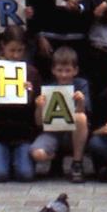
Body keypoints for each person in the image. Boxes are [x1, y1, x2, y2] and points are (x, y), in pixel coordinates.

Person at [0, 25, 42, 183]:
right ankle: (3, 158)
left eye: (20, 51)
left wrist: (31, 96)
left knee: (25, 175)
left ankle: (17, 159)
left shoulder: (31, 72)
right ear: (3, 47)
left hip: (23, 134)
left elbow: (37, 115)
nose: (15, 55)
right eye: (12, 50)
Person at [31, 46, 91, 183]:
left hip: (73, 135)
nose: (64, 75)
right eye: (60, 70)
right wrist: (39, 107)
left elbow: (84, 113)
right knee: (37, 154)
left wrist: (80, 102)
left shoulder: (81, 85)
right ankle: (55, 159)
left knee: (80, 118)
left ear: (75, 70)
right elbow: (39, 123)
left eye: (68, 70)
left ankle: (77, 163)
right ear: (53, 70)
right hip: (53, 133)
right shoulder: (47, 87)